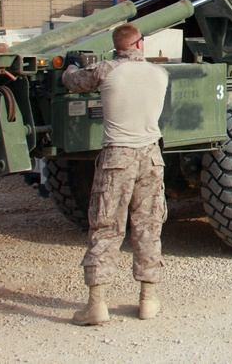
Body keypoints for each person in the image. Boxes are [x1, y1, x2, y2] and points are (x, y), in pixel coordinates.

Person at [61, 23, 169, 326]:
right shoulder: (160, 75)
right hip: (150, 156)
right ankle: (147, 300)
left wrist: (70, 64)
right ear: (141, 44)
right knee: (148, 227)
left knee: (106, 228)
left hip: (116, 157)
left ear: (117, 46)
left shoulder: (105, 70)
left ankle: (96, 305)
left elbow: (72, 81)